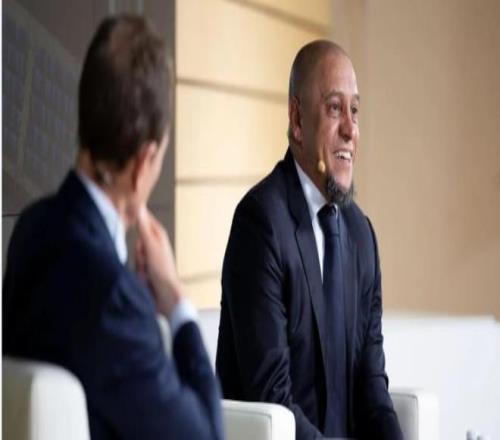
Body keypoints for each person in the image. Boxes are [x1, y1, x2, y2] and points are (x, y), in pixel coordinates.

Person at [3, 15, 223, 440]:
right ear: (143, 164)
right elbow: (206, 435)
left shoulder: (31, 229)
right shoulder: (113, 297)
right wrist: (175, 299)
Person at [216, 40, 403, 439]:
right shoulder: (260, 224)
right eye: (335, 108)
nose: (351, 130)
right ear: (298, 120)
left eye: (355, 111)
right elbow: (272, 398)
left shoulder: (361, 235)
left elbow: (372, 387)